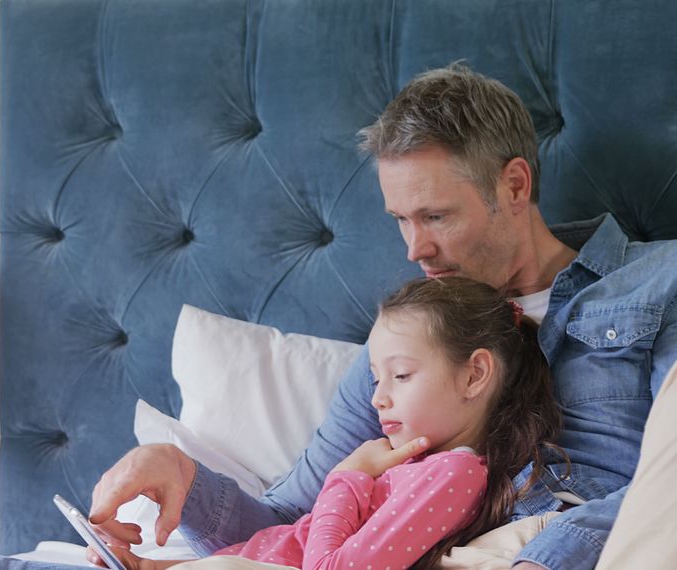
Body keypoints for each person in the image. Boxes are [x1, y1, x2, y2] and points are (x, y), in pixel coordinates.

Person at [88, 64, 677, 570]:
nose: (413, 250)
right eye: (401, 219)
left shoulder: (657, 284)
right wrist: (178, 474)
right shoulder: (405, 347)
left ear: (515, 185)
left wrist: (543, 557)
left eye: (436, 216)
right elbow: (297, 523)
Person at [100, 277, 565, 570]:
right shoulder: (415, 465)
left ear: (474, 375)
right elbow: (292, 537)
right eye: (376, 378)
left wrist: (348, 476)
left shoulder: (455, 474)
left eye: (401, 375)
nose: (378, 398)